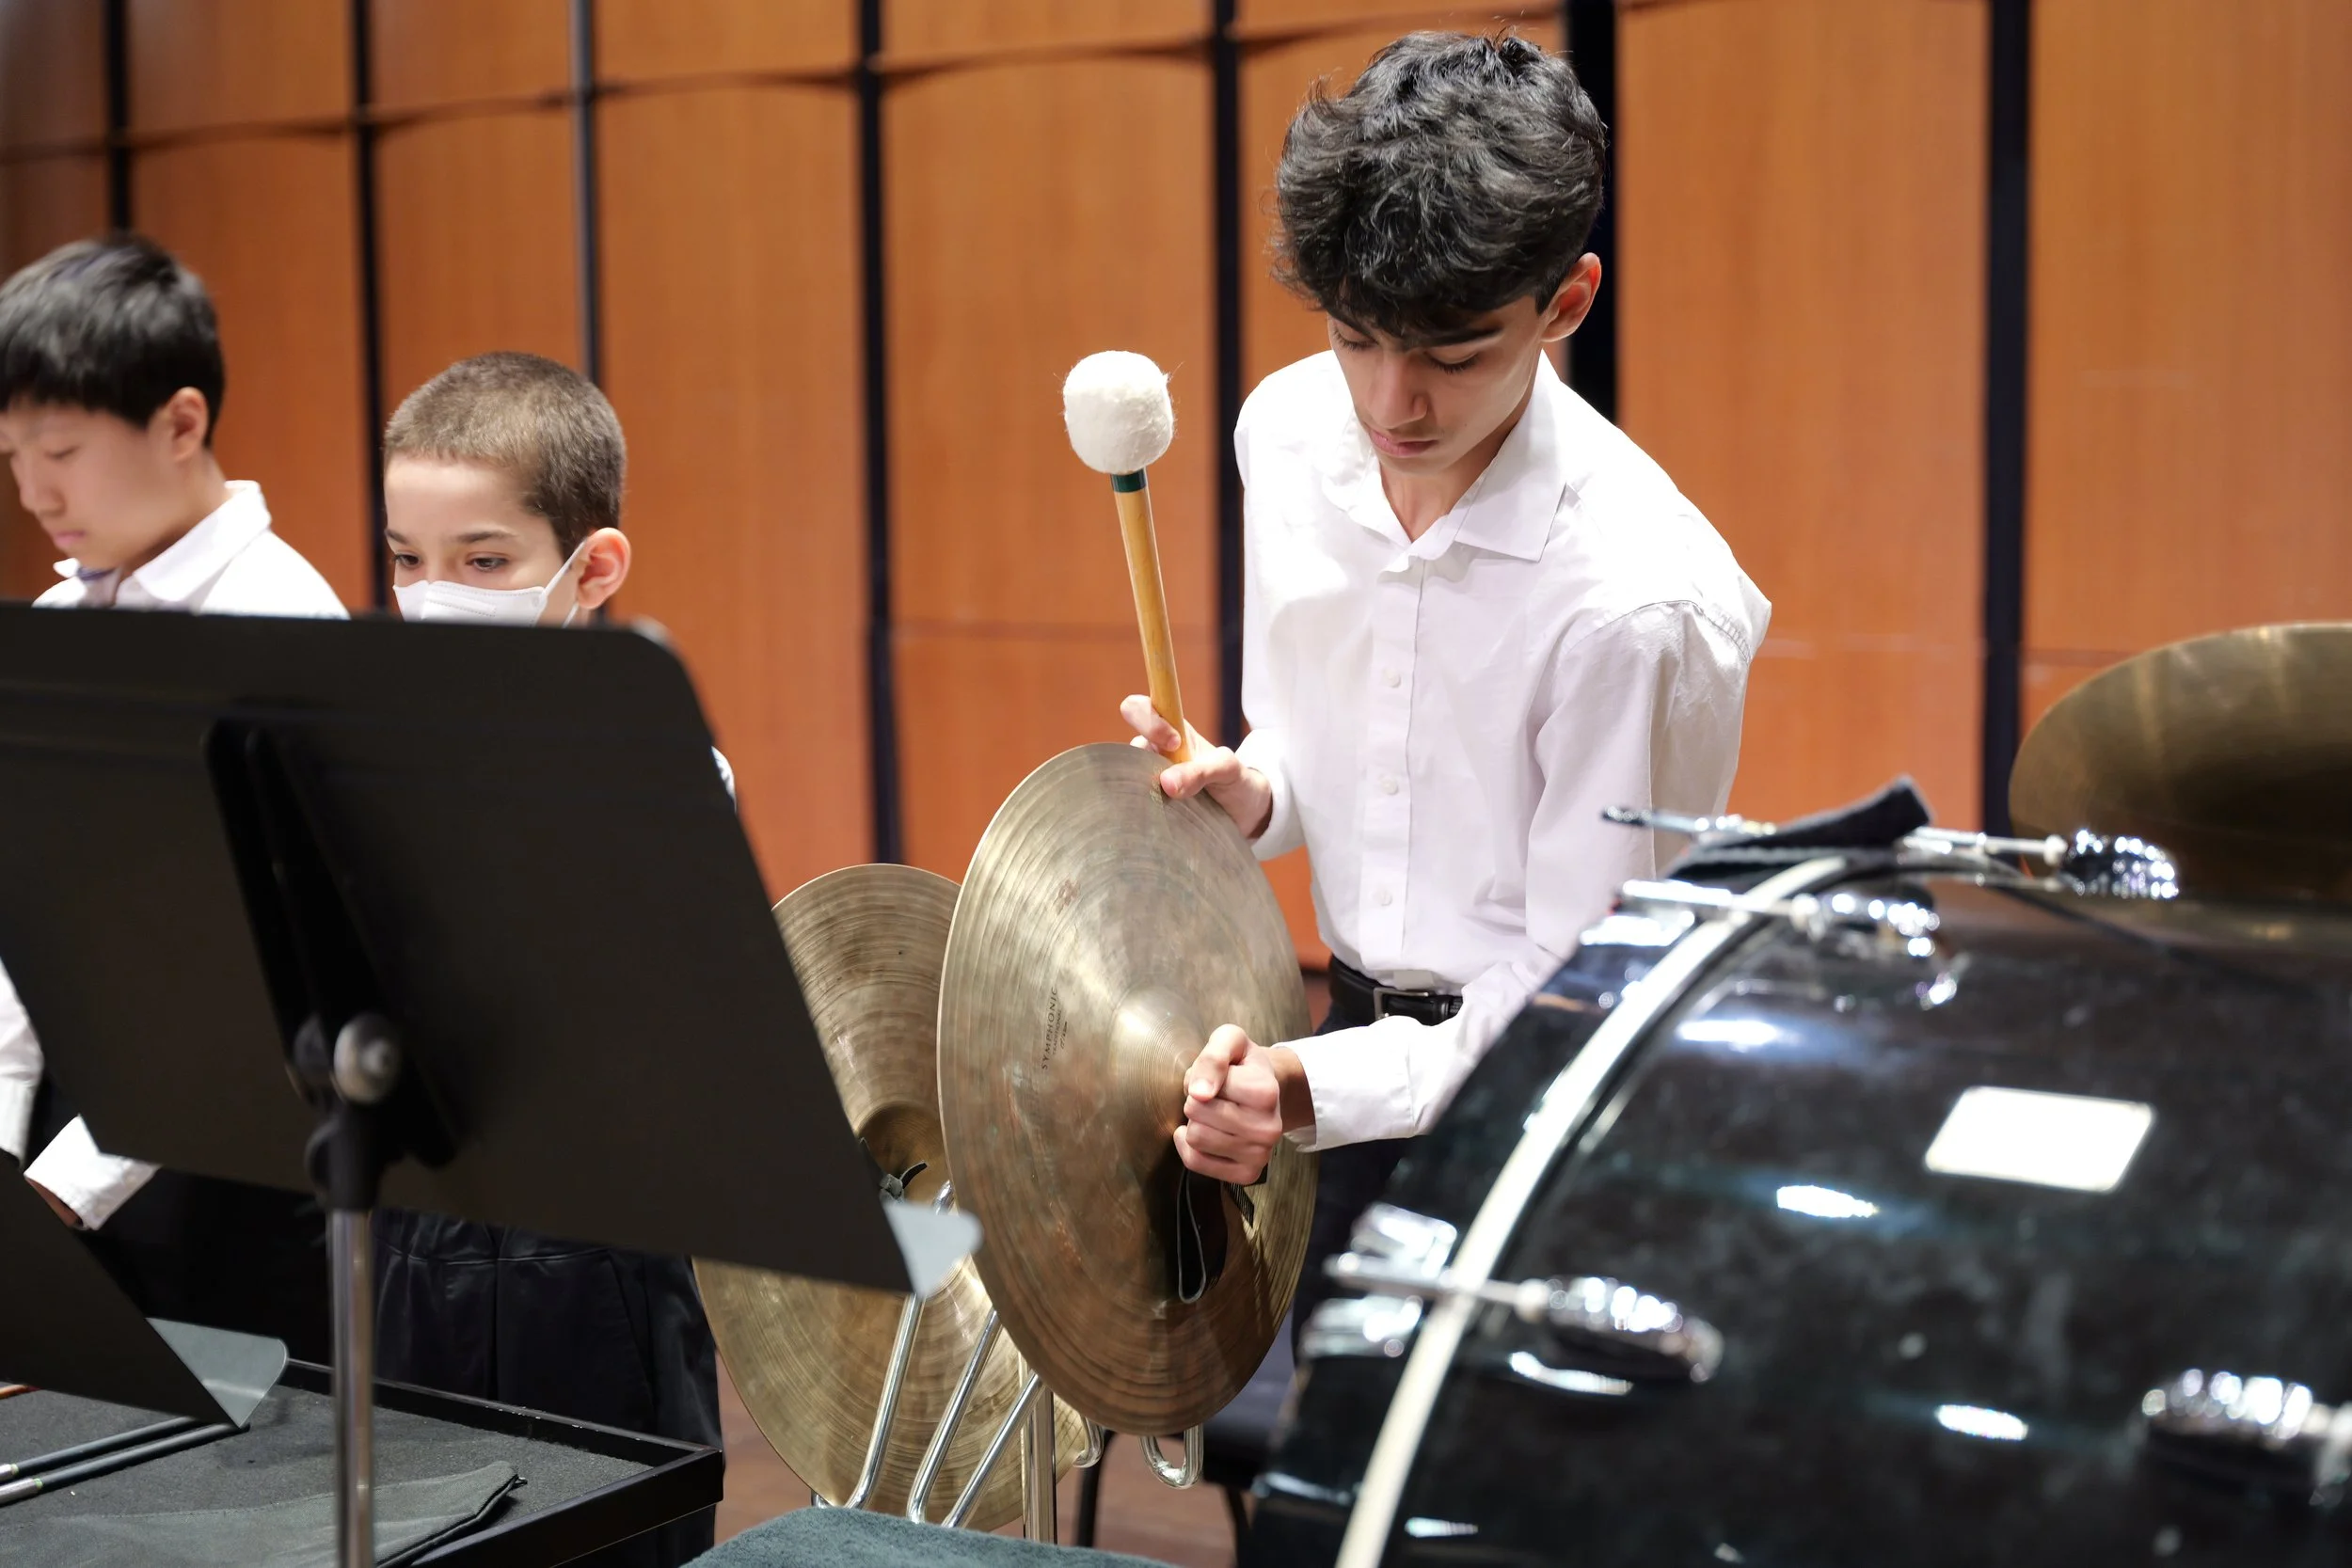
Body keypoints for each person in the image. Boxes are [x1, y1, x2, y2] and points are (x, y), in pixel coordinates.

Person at [1129, 33, 1772, 1333]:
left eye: (1454, 352)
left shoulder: (1637, 603)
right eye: (1357, 338)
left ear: (1568, 302)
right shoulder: (1292, 430)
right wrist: (1258, 793)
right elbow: (1331, 747)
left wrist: (1308, 1089)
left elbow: (1573, 978)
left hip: (1548, 1103)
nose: (1393, 400)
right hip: (1344, 1049)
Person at [376, 351, 722, 1568]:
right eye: (406, 562)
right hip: (413, 1244)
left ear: (593, 567)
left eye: (481, 561)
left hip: (594, 1271)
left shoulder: (660, 760)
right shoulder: (371, 739)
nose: (433, 595)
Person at [0, 233, 344, 1361]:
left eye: (61, 448)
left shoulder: (284, 629)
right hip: (61, 1152)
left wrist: (56, 1195)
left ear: (182, 422)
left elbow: (256, 974)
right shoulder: (53, 629)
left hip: (231, 1174)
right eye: (11, 454)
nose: (33, 490)